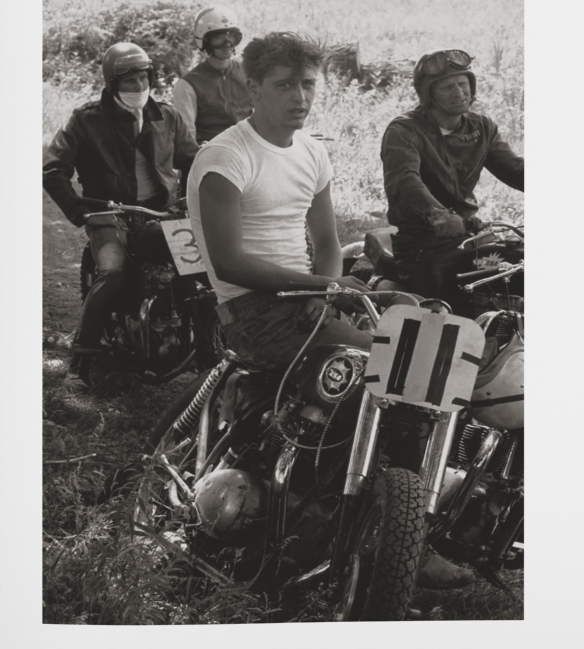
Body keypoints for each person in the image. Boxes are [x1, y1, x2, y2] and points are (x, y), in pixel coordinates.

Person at [188, 31, 474, 590]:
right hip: (252, 311)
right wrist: (321, 287)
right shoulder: (225, 156)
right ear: (253, 88)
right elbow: (229, 263)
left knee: (421, 362)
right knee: (392, 380)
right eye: (284, 85)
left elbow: (324, 241)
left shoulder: (312, 150)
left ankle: (392, 522)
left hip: (306, 304)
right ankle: (361, 528)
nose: (300, 96)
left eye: (308, 84)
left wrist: (332, 286)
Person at [43, 42, 199, 391]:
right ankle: (80, 360)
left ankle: (209, 350)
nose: (139, 87)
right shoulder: (86, 120)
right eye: (130, 81)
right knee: (112, 271)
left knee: (199, 269)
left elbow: (193, 159)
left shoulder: (167, 116)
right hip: (110, 214)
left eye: (144, 78)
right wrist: (79, 209)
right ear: (113, 84)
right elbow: (53, 169)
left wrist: (193, 197)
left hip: (162, 214)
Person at [380, 49, 524, 310]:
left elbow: (514, 170)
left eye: (462, 83)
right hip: (424, 239)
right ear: (428, 94)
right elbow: (404, 180)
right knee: (444, 308)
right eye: (447, 87)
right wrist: (437, 214)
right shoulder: (404, 131)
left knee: (516, 266)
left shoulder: (482, 128)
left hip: (470, 234)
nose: (458, 92)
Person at [173, 5, 253, 145]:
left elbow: (266, 114)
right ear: (205, 41)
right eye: (218, 37)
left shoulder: (249, 73)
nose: (227, 44)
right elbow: (186, 136)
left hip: (249, 149)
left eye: (232, 37)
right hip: (212, 154)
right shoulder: (188, 85)